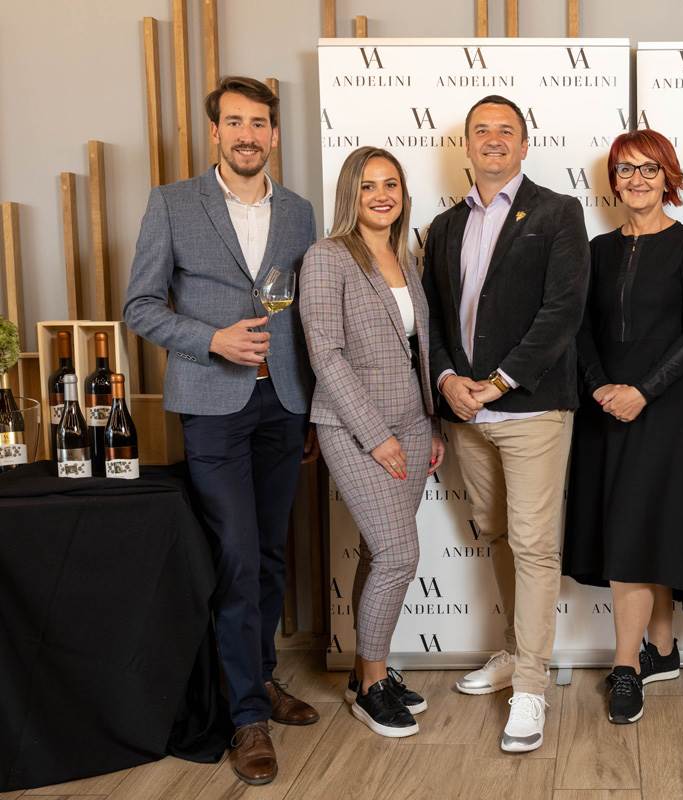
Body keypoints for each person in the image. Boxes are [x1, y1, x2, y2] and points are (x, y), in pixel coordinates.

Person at [124, 76, 319, 785]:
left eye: (258, 123)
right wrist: (212, 340)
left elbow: (306, 313)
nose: (247, 134)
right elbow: (140, 306)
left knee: (268, 553)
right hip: (211, 403)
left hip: (284, 403)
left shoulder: (298, 212)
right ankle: (245, 717)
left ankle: (259, 677)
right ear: (214, 132)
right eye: (234, 122)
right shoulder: (173, 203)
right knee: (236, 554)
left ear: (274, 134)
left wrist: (312, 406)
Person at [422, 94, 589, 752]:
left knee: (533, 544)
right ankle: (514, 650)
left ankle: (532, 686)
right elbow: (432, 318)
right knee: (494, 533)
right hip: (465, 413)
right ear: (466, 145)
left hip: (531, 409)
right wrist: (446, 381)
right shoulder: (444, 226)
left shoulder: (557, 211)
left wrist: (497, 381)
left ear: (524, 144)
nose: (493, 139)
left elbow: (563, 310)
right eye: (482, 130)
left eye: (506, 131)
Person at [563, 129, 683, 725]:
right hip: (605, 411)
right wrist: (600, 387)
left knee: (640, 532)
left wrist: (643, 391)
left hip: (670, 413)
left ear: (669, 178)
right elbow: (579, 328)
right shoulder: (597, 249)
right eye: (625, 170)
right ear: (613, 181)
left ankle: (626, 667)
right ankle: (662, 648)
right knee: (636, 528)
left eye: (649, 169)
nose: (637, 180)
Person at [299, 147, 444, 738]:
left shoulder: (407, 258)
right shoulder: (327, 256)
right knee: (399, 555)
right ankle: (372, 688)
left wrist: (431, 424)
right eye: (367, 186)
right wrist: (376, 434)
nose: (381, 195)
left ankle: (366, 673)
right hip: (353, 427)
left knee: (377, 553)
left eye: (391, 184)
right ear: (350, 195)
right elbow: (325, 353)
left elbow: (417, 352)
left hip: (413, 424)